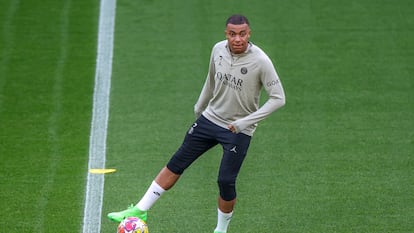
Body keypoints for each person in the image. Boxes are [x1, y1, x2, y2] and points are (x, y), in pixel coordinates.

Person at [107, 14, 286, 233]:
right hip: (210, 119)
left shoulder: (261, 61)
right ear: (226, 34)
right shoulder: (217, 50)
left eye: (242, 34)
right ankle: (139, 210)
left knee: (225, 181)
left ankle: (220, 230)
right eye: (232, 34)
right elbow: (211, 80)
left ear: (249, 34)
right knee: (177, 162)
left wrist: (244, 122)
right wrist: (200, 106)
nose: (237, 39)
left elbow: (279, 98)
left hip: (238, 130)